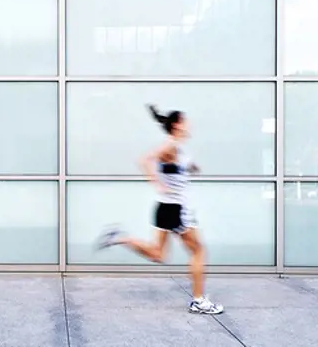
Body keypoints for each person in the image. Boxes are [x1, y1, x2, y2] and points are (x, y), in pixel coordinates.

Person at [95, 105, 224, 315]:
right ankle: (199, 300)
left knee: (158, 254)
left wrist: (190, 168)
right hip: (176, 209)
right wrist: (155, 181)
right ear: (177, 125)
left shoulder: (178, 148)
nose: (189, 124)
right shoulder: (171, 146)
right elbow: (145, 160)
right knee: (198, 250)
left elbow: (174, 166)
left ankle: (120, 237)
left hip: (166, 207)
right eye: (186, 120)